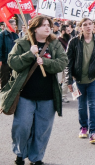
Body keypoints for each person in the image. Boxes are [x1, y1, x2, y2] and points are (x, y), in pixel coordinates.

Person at [3, 15, 68, 165]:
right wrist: (29, 54)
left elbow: (62, 62)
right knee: (22, 127)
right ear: (34, 28)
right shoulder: (22, 43)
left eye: (49, 25)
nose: (47, 28)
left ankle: (36, 157)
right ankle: (20, 153)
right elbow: (12, 62)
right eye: (43, 25)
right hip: (25, 95)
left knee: (42, 130)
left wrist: (45, 61)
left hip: (48, 96)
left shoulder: (55, 44)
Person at [67, 18, 95, 143]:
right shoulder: (74, 42)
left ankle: (94, 132)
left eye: (90, 24)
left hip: (93, 79)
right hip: (78, 80)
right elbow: (68, 63)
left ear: (93, 26)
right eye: (85, 25)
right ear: (80, 28)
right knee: (81, 106)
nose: (88, 27)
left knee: (92, 105)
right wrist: (69, 80)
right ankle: (83, 128)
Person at [0, 19, 19, 89]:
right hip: (5, 61)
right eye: (14, 25)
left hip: (14, 61)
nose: (15, 26)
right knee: (5, 78)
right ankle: (4, 94)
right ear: (9, 25)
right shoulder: (2, 35)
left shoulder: (15, 35)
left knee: (14, 78)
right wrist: (0, 60)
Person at [58, 24, 72, 103]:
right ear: (63, 31)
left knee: (66, 80)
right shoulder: (57, 41)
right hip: (59, 63)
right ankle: (57, 96)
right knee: (59, 80)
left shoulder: (70, 41)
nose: (69, 33)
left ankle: (64, 96)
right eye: (68, 31)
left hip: (67, 63)